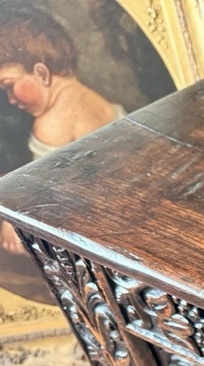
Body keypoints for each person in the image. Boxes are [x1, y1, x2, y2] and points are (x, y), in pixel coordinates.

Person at [0, 4, 126, 253]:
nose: (11, 100)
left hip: (87, 221)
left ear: (41, 73)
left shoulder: (50, 125)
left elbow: (44, 194)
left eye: (9, 86)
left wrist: (13, 222)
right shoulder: (98, 101)